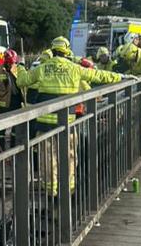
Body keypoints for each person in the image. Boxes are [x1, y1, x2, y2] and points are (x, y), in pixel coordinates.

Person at [17, 36, 130, 194]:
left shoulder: (43, 68)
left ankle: (52, 192)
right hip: (67, 123)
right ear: (67, 50)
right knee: (69, 156)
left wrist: (21, 65)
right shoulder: (74, 68)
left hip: (45, 124)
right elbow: (98, 75)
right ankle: (69, 190)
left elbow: (22, 81)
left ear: (53, 50)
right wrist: (121, 77)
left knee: (48, 159)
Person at [0, 48, 25, 150]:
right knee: (1, 127)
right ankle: (1, 147)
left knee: (16, 126)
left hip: (17, 101)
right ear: (6, 61)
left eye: (14, 62)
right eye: (11, 63)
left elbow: (26, 82)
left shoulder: (18, 69)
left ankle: (13, 147)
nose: (12, 65)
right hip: (5, 103)